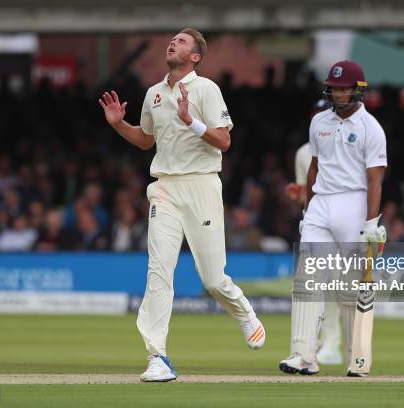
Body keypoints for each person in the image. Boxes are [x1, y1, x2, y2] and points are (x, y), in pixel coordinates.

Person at [99, 27, 265, 383]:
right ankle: (157, 356)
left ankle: (243, 312)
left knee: (213, 279)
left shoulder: (207, 89)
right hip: (165, 189)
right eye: (172, 39)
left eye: (182, 41)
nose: (173, 42)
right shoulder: (154, 94)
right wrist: (118, 125)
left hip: (202, 185)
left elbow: (224, 141)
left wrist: (191, 120)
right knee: (159, 272)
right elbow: (146, 141)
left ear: (195, 57)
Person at [279, 60, 387, 376]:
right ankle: (303, 355)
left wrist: (371, 223)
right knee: (307, 278)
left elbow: (375, 180)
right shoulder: (319, 123)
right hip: (321, 203)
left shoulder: (371, 128)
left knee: (351, 287)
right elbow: (314, 168)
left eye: (344, 88)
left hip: (354, 203)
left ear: (357, 90)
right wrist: (307, 209)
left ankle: (358, 358)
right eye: (335, 88)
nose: (339, 93)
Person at [285, 99, 347, 366]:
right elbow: (306, 194)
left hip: (343, 223)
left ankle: (334, 344)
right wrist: (297, 197)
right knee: (312, 284)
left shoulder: (349, 144)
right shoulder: (303, 153)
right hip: (315, 224)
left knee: (336, 286)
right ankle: (315, 345)